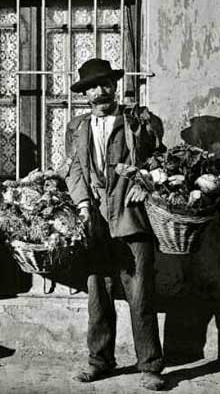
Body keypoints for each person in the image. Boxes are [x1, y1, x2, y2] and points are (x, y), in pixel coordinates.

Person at [63, 59, 167, 391]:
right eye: (92, 87)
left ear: (114, 86)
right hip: (96, 221)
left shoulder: (138, 121)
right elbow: (74, 170)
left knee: (140, 295)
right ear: (85, 94)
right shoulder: (77, 127)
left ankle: (150, 365)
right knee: (98, 294)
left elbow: (160, 161)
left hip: (131, 218)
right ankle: (100, 361)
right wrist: (82, 205)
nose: (99, 92)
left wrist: (145, 182)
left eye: (105, 84)